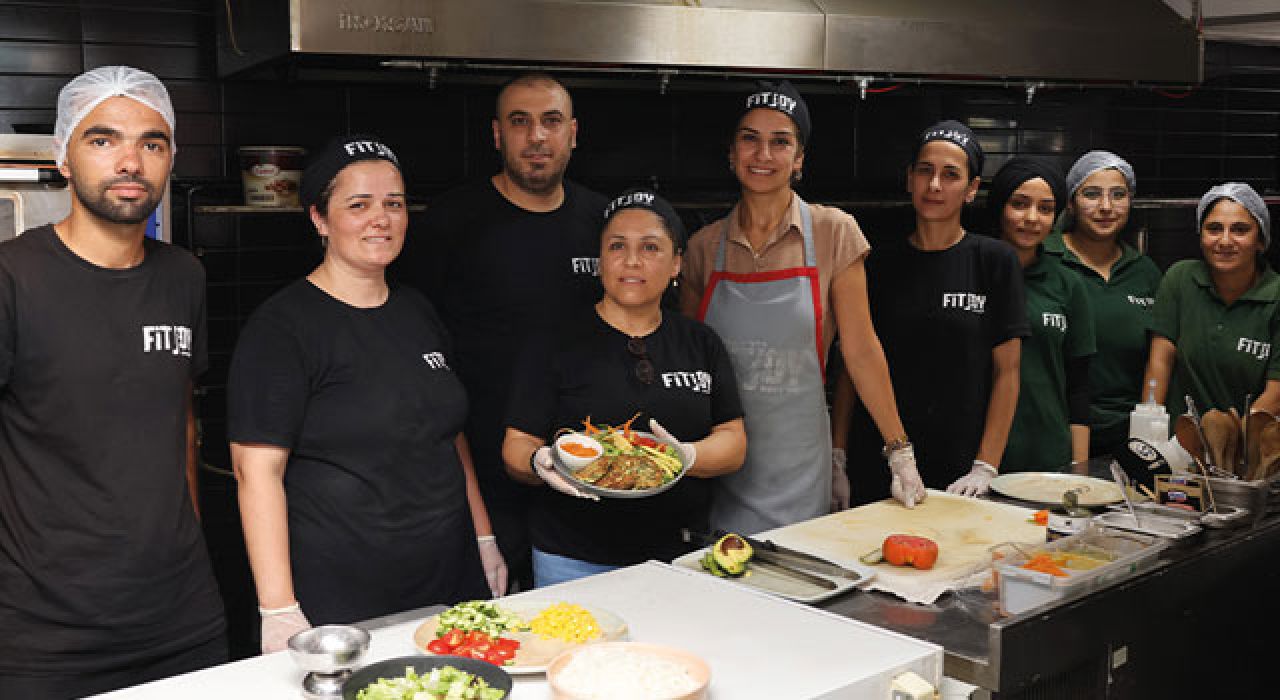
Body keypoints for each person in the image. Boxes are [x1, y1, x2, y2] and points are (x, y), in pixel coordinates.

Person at [0, 66, 226, 698]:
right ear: (64, 158)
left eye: (152, 143)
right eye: (103, 140)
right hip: (45, 638)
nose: (131, 159)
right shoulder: (12, 278)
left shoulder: (184, 276)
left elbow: (181, 422)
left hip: (182, 619)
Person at [227, 136, 502, 653]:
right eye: (359, 205)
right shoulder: (283, 327)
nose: (381, 218)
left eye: (393, 204)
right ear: (319, 218)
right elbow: (256, 472)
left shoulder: (417, 311)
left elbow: (449, 435)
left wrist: (483, 537)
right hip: (342, 591)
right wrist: (279, 607)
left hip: (449, 578)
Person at [680, 80, 922, 535]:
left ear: (799, 159)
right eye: (749, 138)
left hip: (799, 467)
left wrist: (899, 450)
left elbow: (861, 348)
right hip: (718, 467)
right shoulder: (702, 248)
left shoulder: (834, 233)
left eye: (780, 142)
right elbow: (688, 369)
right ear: (732, 153)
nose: (763, 154)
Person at [394, 73, 608, 589]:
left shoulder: (602, 222)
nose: (537, 137)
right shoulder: (451, 221)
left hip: (585, 472)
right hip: (482, 478)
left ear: (573, 133)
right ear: (496, 135)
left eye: (551, 122)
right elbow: (413, 343)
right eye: (520, 122)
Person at [503, 188, 747, 587]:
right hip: (572, 558)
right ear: (600, 260)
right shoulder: (554, 341)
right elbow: (516, 443)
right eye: (617, 246)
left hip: (681, 557)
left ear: (676, 264)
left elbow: (733, 440)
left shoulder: (700, 343)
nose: (632, 260)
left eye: (650, 247)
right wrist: (539, 462)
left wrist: (685, 455)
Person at [846, 120, 1028, 504]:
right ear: (909, 178)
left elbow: (1007, 372)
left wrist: (986, 465)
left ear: (972, 189)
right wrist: (837, 453)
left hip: (961, 466)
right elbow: (852, 366)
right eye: (925, 171)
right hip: (879, 457)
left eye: (950, 175)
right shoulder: (875, 263)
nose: (934, 186)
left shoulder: (994, 261)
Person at [1043, 151, 1162, 458]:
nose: (1106, 207)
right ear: (1070, 203)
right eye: (1092, 194)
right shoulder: (1045, 257)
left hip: (1128, 438)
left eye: (1118, 195)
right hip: (1055, 430)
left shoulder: (1145, 272)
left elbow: (1160, 360)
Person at [991, 157, 1096, 472]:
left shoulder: (1069, 284)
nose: (1031, 218)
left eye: (1046, 209)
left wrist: (1078, 469)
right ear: (998, 207)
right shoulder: (975, 270)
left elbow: (1079, 386)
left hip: (1048, 454)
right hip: (978, 455)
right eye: (1019, 204)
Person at [1143, 183, 1280, 419]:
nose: (1225, 241)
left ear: (1260, 240)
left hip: (1250, 445)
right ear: (1201, 235)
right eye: (1214, 229)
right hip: (1179, 445)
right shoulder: (1181, 279)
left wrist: (1229, 444)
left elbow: (1276, 394)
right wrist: (1147, 426)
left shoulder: (1275, 296)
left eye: (1240, 230)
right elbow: (1160, 363)